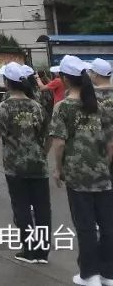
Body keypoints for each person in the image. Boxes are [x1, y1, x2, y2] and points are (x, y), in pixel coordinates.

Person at [49, 54, 113, 286]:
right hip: (102, 174)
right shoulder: (98, 105)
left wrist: (58, 169)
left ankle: (89, 275)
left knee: (85, 226)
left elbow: (59, 143)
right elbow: (110, 142)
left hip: (77, 176)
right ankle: (108, 273)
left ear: (65, 79)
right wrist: (104, 166)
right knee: (107, 225)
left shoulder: (63, 107)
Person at [0, 61, 51, 265]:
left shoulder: (3, 107)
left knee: (21, 207)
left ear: (7, 83)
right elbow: (48, 135)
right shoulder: (36, 106)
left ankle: (29, 250)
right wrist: (42, 152)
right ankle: (42, 252)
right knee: (42, 208)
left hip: (15, 166)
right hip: (38, 165)